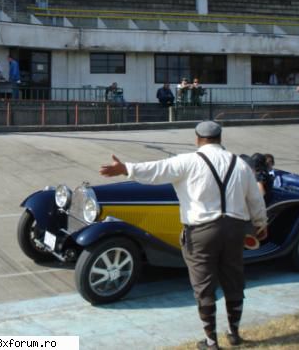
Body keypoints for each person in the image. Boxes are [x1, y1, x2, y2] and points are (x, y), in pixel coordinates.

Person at [99, 121, 267, 350]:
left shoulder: (188, 161)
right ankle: (234, 333)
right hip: (235, 229)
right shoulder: (240, 165)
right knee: (234, 278)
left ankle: (211, 341)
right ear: (220, 137)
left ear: (198, 138)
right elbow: (255, 200)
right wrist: (261, 223)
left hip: (202, 231)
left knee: (204, 284)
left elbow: (156, 170)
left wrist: (125, 168)